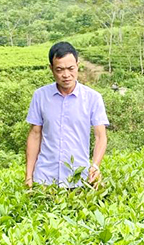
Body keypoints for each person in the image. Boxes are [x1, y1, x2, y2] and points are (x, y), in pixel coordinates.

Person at [25, 42, 109, 188]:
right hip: (45, 179)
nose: (66, 75)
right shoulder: (40, 96)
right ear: (51, 68)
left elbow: (100, 136)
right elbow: (34, 134)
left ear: (77, 65)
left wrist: (95, 165)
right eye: (59, 70)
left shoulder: (93, 98)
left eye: (71, 68)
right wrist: (28, 176)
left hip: (79, 178)